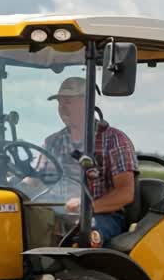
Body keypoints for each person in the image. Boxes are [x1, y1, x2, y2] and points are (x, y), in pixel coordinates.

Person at [41, 76, 137, 246]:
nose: (62, 108)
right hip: (57, 214)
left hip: (102, 216)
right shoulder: (52, 142)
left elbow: (125, 193)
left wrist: (86, 207)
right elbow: (38, 180)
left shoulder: (114, 140)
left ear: (87, 102)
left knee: (84, 233)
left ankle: (79, 271)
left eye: (68, 101)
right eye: (60, 102)